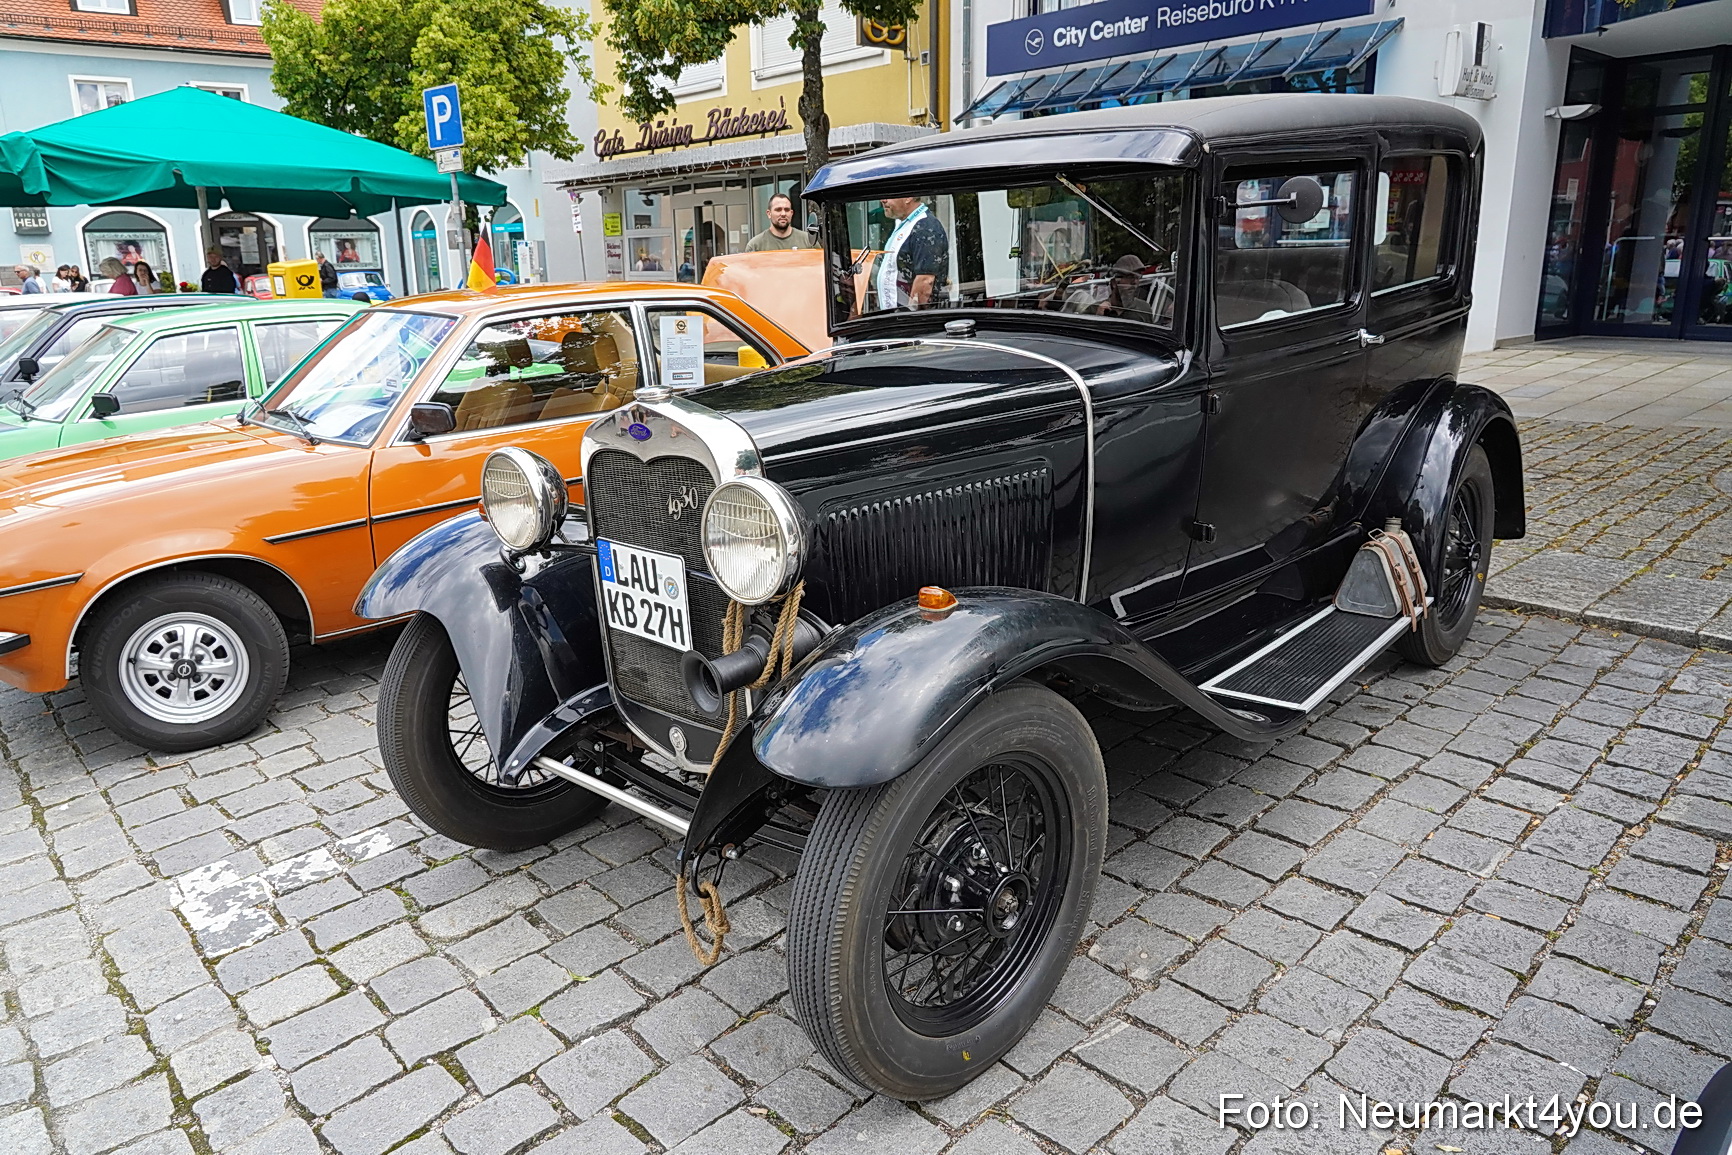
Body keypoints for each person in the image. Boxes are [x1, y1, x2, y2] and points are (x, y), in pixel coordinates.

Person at [875, 196, 947, 310]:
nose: (883, 200)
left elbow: (925, 281)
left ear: (908, 197)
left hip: (911, 320)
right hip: (896, 316)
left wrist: (911, 317)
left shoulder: (925, 227)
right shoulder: (905, 223)